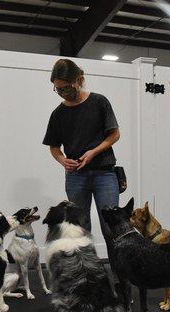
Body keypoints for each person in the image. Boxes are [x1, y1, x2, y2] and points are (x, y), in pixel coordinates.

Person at [43, 59, 120, 271]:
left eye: (65, 87)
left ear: (78, 80)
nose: (61, 92)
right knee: (79, 229)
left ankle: (120, 278)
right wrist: (62, 160)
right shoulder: (58, 114)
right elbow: (54, 147)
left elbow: (114, 134)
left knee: (111, 228)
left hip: (104, 174)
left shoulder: (99, 102)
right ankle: (90, 275)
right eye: (57, 89)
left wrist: (93, 151)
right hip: (76, 176)